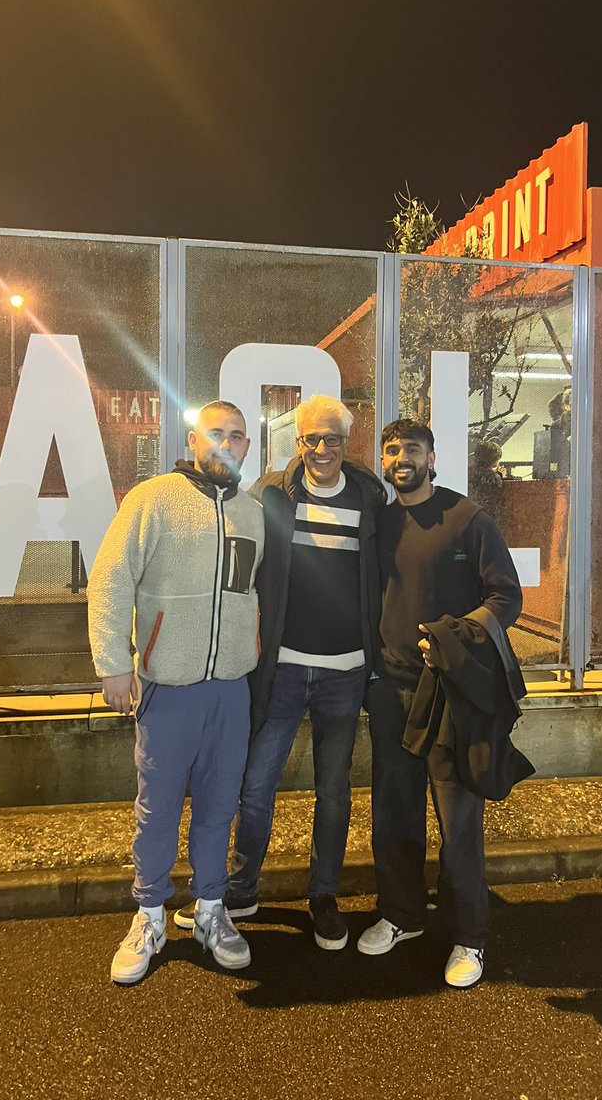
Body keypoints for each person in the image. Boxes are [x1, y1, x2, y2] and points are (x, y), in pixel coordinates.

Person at [175, 394, 385, 950]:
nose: (321, 449)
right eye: (311, 439)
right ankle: (241, 890)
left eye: (332, 440)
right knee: (256, 787)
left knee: (333, 792)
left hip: (346, 672)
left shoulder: (368, 498)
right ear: (298, 443)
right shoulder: (270, 494)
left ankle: (324, 897)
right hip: (284, 670)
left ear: (346, 443)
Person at [88, 401, 264, 985]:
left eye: (237, 437)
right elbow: (111, 576)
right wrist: (115, 662)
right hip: (170, 687)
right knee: (157, 807)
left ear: (247, 445)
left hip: (231, 689)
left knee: (220, 807)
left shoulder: (251, 511)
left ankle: (211, 909)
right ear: (194, 439)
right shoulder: (152, 499)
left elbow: (251, 592)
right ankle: (149, 914)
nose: (227, 444)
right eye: (217, 434)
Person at [359, 418, 533, 987]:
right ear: (384, 462)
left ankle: (469, 937)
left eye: (412, 448)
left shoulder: (468, 519)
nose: (401, 457)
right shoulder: (379, 522)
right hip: (390, 689)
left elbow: (506, 597)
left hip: (449, 697)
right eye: (392, 449)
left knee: (458, 820)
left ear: (432, 458)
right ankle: (402, 915)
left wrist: (458, 636)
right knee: (393, 810)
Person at [469, 439, 505, 522]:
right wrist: (499, 475)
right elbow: (498, 496)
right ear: (493, 461)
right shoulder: (493, 477)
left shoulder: (469, 471)